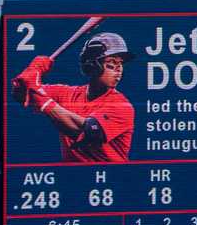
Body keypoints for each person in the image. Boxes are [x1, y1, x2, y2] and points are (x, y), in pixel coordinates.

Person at [11, 32, 136, 163]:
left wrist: (43, 101)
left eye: (120, 63)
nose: (119, 69)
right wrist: (32, 70)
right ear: (91, 66)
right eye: (111, 62)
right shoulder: (66, 93)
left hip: (111, 178)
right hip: (71, 177)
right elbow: (20, 94)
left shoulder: (122, 106)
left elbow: (87, 132)